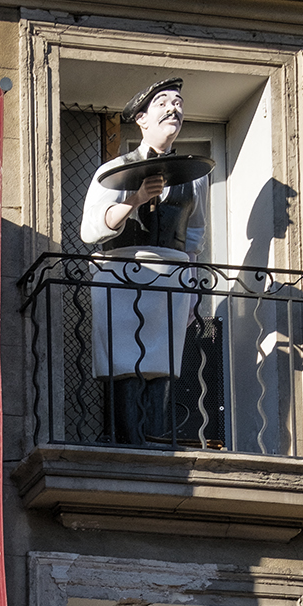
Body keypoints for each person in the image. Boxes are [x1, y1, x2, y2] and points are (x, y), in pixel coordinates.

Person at [80, 77, 209, 444]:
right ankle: (128, 442)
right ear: (142, 119)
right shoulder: (115, 170)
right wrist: (134, 199)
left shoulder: (193, 177)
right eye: (163, 102)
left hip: (172, 275)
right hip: (123, 273)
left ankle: (155, 440)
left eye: (178, 102)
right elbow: (91, 229)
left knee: (162, 364)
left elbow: (195, 235)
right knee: (126, 363)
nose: (174, 108)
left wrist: (194, 291)